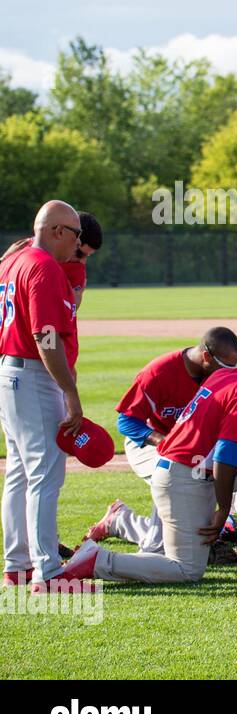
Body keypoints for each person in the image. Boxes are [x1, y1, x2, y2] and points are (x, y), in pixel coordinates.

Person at [59, 367, 237, 585]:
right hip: (182, 479)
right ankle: (97, 560)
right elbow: (225, 458)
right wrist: (223, 509)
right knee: (187, 569)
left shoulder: (228, 376)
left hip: (187, 469)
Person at [87, 328, 237, 555]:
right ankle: (152, 550)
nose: (231, 371)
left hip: (190, 448)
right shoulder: (159, 373)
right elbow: (127, 422)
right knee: (173, 474)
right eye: (226, 365)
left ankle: (121, 521)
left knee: (198, 483)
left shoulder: (218, 375)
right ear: (206, 357)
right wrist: (168, 442)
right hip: (147, 443)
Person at [0, 201, 85, 590]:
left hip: (10, 370)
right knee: (45, 473)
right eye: (75, 233)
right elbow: (45, 336)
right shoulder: (43, 266)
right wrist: (69, 391)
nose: (79, 242)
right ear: (55, 231)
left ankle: (16, 565)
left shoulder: (12, 261)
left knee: (19, 472)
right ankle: (46, 571)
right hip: (33, 374)